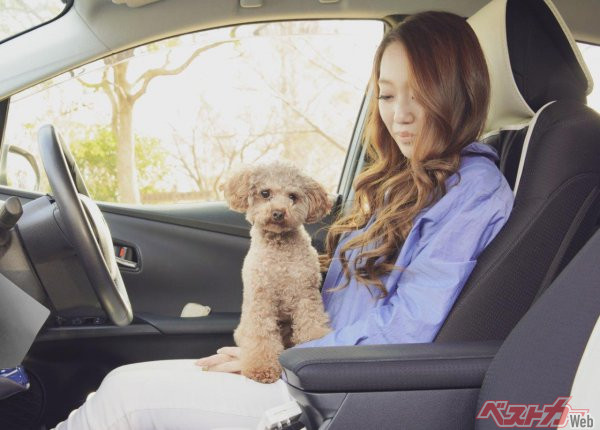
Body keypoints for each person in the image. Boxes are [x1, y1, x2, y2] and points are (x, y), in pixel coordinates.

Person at [53, 11, 514, 430]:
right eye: (388, 95)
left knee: (124, 398)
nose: (400, 115)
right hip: (321, 366)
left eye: (419, 95)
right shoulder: (406, 178)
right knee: (120, 385)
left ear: (458, 91)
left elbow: (407, 330)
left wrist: (288, 355)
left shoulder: (473, 189)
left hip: (342, 389)